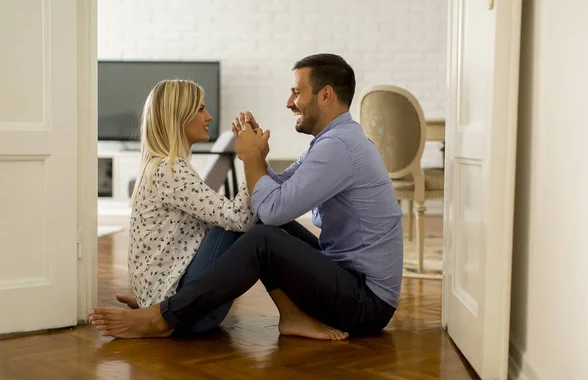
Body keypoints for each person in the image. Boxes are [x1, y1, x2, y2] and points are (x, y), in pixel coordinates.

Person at [89, 53, 403, 341]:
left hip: (365, 301)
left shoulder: (338, 147)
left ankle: (162, 315)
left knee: (265, 234)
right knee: (269, 228)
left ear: (325, 95)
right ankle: (285, 316)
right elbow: (272, 192)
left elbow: (271, 207)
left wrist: (252, 160)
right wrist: (257, 160)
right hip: (351, 281)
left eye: (296, 92)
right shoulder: (331, 142)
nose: (289, 102)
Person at [107, 79, 257, 337]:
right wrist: (252, 160)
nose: (208, 116)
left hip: (171, 300)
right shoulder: (171, 170)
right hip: (187, 315)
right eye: (200, 109)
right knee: (255, 227)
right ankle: (293, 316)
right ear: (179, 116)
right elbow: (239, 220)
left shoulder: (162, 166)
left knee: (255, 218)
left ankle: (150, 304)